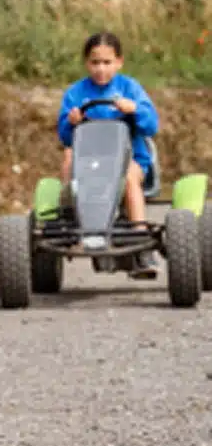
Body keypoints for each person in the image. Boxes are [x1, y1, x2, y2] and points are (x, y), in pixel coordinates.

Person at [57, 30, 159, 279]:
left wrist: (134, 109)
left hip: (128, 158)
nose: (100, 69)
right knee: (67, 157)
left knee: (129, 178)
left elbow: (151, 125)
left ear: (119, 62)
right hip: (88, 161)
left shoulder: (129, 88)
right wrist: (71, 122)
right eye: (95, 62)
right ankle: (68, 217)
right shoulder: (76, 93)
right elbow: (65, 136)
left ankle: (139, 238)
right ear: (86, 63)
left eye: (106, 62)